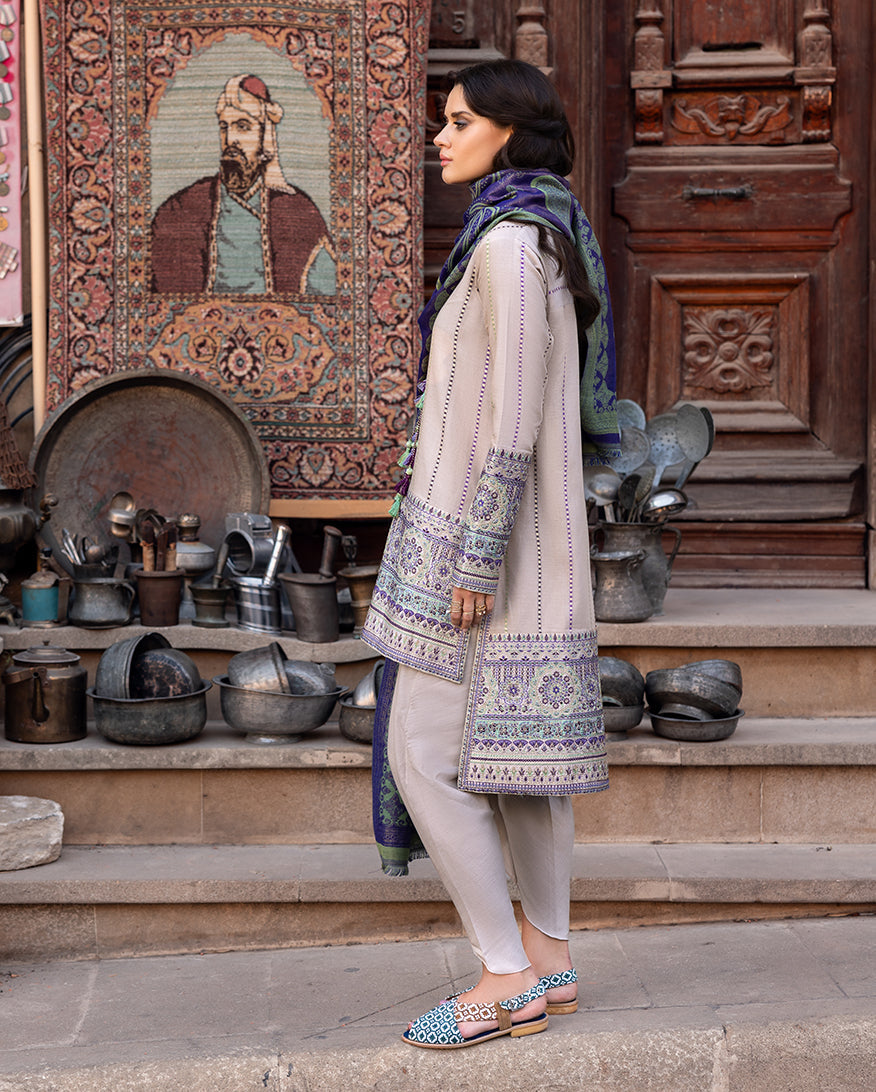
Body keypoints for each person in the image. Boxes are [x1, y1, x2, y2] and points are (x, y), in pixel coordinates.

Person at [361, 59, 620, 1049]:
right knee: (524, 766)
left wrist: (472, 558)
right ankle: (548, 958)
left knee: (422, 753)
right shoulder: (540, 232)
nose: (441, 135)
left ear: (510, 131)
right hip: (527, 549)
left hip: (481, 551)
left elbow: (510, 417)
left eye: (460, 120)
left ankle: (504, 977)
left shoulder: (511, 245)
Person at [150, 73, 335, 296]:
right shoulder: (181, 209)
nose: (230, 140)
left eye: (242, 126)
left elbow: (326, 299)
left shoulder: (299, 213)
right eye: (224, 127)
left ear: (265, 137)